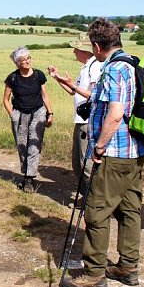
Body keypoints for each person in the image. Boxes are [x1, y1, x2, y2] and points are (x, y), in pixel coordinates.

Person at [61, 18, 144, 287]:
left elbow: (115, 113)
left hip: (114, 152)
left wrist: (99, 147)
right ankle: (128, 266)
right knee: (129, 209)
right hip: (133, 151)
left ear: (97, 46)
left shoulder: (114, 69)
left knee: (96, 211)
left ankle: (94, 273)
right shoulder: (130, 64)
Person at [48, 34, 102, 181]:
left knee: (86, 163)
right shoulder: (86, 67)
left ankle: (90, 200)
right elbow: (74, 92)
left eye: (76, 49)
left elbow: (94, 95)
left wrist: (72, 85)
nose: (74, 52)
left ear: (84, 51)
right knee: (78, 161)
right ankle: (85, 197)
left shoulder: (95, 67)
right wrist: (57, 78)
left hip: (88, 121)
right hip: (81, 120)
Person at [2, 46, 54, 192]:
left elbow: (45, 95)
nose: (26, 61)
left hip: (38, 112)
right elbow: (5, 99)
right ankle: (26, 173)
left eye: (28, 58)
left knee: (34, 145)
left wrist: (50, 113)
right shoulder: (12, 77)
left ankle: (30, 178)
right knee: (22, 144)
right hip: (20, 114)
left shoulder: (39, 75)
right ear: (17, 63)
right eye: (23, 60)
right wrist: (12, 114)